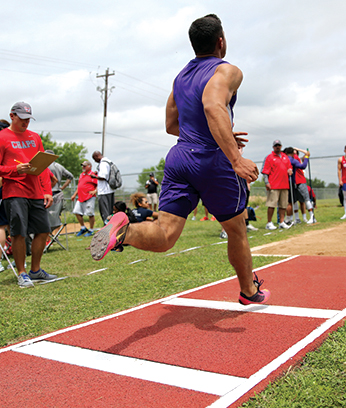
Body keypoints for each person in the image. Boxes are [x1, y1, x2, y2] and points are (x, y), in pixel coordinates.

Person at [90, 14, 269, 305]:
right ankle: (248, 290)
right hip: (212, 161)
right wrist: (234, 157)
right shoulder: (228, 71)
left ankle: (124, 230)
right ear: (220, 42)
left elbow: (172, 125)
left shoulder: (181, 76)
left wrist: (219, 133)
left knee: (166, 233)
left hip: (179, 158)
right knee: (236, 230)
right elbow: (212, 106)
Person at [0, 101, 57, 288]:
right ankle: (21, 273)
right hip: (14, 191)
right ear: (12, 116)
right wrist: (15, 169)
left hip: (35, 192)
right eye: (22, 119)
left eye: (28, 119)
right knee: (19, 233)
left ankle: (35, 271)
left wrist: (47, 191)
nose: (26, 123)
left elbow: (42, 166)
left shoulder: (34, 137)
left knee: (43, 230)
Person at [261, 140, 292, 230]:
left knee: (283, 205)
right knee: (272, 204)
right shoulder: (269, 157)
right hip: (273, 185)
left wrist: (290, 170)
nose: (277, 147)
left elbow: (289, 167)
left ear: (281, 146)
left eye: (279, 145)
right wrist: (267, 182)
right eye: (276, 146)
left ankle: (281, 222)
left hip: (284, 184)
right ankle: (269, 222)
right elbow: (265, 171)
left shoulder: (285, 157)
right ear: (273, 147)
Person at [284, 146, 316, 225]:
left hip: (300, 180)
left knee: (305, 199)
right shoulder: (291, 159)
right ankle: (297, 218)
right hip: (294, 182)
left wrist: (298, 150)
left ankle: (312, 216)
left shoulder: (295, 159)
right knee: (295, 201)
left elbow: (307, 154)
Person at [45, 151, 74, 231]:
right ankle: (56, 235)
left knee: (47, 215)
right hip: (59, 193)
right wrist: (63, 187)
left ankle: (49, 236)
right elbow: (70, 176)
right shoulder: (59, 166)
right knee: (57, 215)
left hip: (49, 193)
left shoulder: (46, 166)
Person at [71, 161, 98, 237]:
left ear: (89, 166)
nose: (83, 167)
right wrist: (74, 194)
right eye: (82, 166)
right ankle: (83, 228)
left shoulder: (93, 175)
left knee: (90, 214)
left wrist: (95, 191)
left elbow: (99, 184)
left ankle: (91, 230)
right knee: (76, 212)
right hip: (80, 197)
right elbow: (79, 185)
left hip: (89, 197)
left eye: (85, 166)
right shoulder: (81, 175)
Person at [92, 151, 115, 225]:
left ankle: (108, 228)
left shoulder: (103, 163)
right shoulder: (108, 162)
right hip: (109, 190)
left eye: (95, 158)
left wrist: (94, 176)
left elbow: (103, 177)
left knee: (105, 212)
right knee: (110, 211)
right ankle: (111, 227)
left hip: (104, 191)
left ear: (98, 156)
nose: (95, 161)